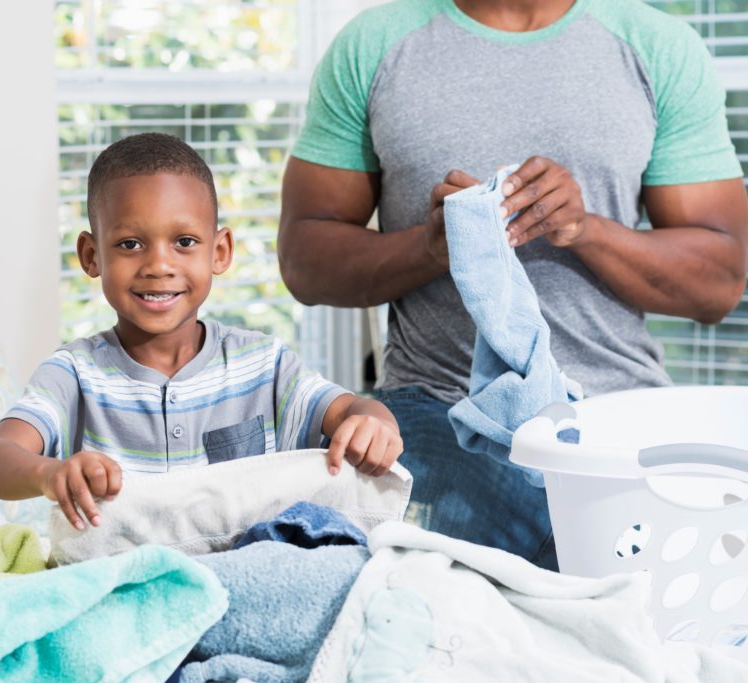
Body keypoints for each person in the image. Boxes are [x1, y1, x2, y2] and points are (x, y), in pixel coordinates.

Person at [278, 0, 748, 568]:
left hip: (616, 412)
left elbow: (719, 284)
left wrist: (585, 230)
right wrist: (431, 247)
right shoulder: (372, 46)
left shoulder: (658, 48)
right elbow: (304, 263)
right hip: (438, 414)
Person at [0, 132, 404, 530]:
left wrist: (374, 423)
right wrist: (50, 474)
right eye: (130, 244)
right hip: (119, 574)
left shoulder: (264, 365)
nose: (159, 265)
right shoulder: (73, 374)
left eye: (184, 242)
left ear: (220, 251)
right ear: (91, 255)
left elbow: (353, 410)